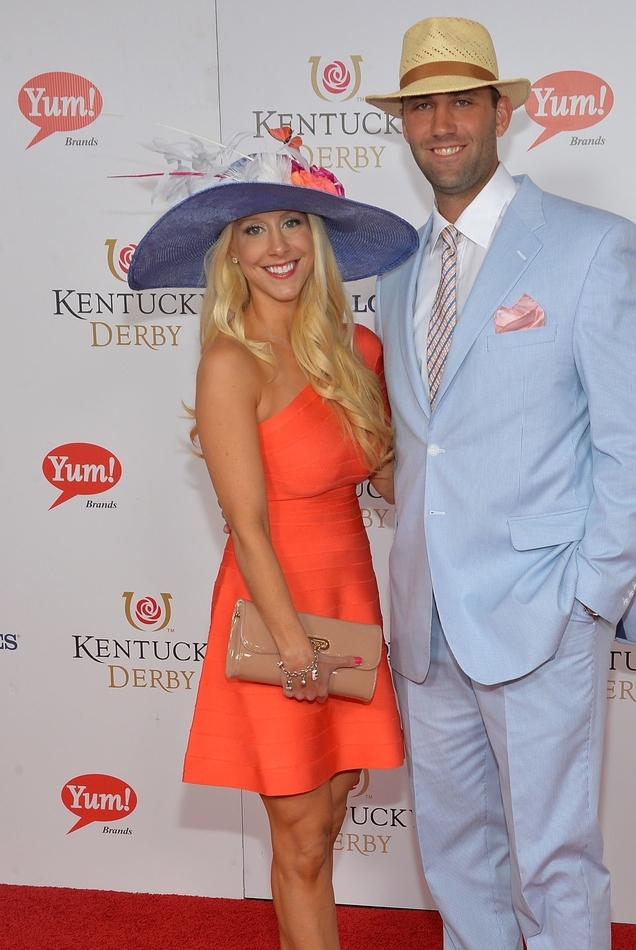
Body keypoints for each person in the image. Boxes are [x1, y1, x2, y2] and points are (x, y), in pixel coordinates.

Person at [365, 17, 636, 950]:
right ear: (405, 124)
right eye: (423, 106)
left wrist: (590, 595)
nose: (442, 124)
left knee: (553, 860)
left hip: (542, 615)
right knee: (457, 854)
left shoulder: (590, 245)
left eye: (463, 100)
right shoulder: (394, 269)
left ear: (502, 111)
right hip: (426, 620)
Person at [127, 143, 418, 950]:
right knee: (297, 840)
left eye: (293, 222)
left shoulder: (357, 350)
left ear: (318, 238)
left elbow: (386, 473)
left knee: (324, 824)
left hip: (349, 600)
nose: (278, 244)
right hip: (273, 612)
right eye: (253, 229)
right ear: (231, 254)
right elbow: (246, 526)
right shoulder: (230, 364)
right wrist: (292, 644)